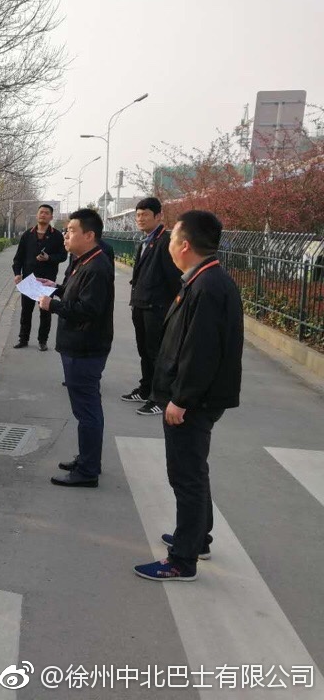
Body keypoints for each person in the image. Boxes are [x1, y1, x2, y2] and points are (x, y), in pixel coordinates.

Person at [134, 210, 243, 582]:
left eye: (171, 239)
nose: (167, 245)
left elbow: (201, 352)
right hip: (197, 397)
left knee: (187, 476)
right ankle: (197, 538)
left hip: (193, 401)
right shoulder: (203, 279)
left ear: (184, 245)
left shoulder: (207, 286)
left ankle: (182, 559)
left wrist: (180, 399)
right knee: (194, 470)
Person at [39, 208, 114, 488]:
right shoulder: (84, 261)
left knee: (87, 410)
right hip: (78, 345)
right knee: (86, 408)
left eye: (71, 230)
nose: (66, 235)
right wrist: (56, 288)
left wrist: (53, 305)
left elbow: (87, 310)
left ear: (89, 235)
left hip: (85, 347)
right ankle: (88, 459)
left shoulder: (97, 266)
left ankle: (88, 470)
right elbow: (77, 294)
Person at [121, 197, 182, 417]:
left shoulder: (165, 242)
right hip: (141, 305)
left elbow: (174, 279)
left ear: (158, 216)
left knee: (157, 354)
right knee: (144, 351)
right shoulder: (145, 241)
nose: (140, 219)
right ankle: (146, 389)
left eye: (145, 215)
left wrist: (170, 308)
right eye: (138, 215)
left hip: (157, 308)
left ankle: (160, 398)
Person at [12, 204, 68, 351]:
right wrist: (17, 273)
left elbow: (63, 256)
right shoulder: (27, 235)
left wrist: (49, 258)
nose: (43, 215)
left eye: (46, 213)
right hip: (29, 280)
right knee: (26, 311)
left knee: (45, 312)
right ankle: (23, 339)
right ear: (37, 215)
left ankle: (43, 341)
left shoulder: (57, 236)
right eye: (41, 212)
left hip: (46, 281)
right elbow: (18, 258)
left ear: (51, 217)